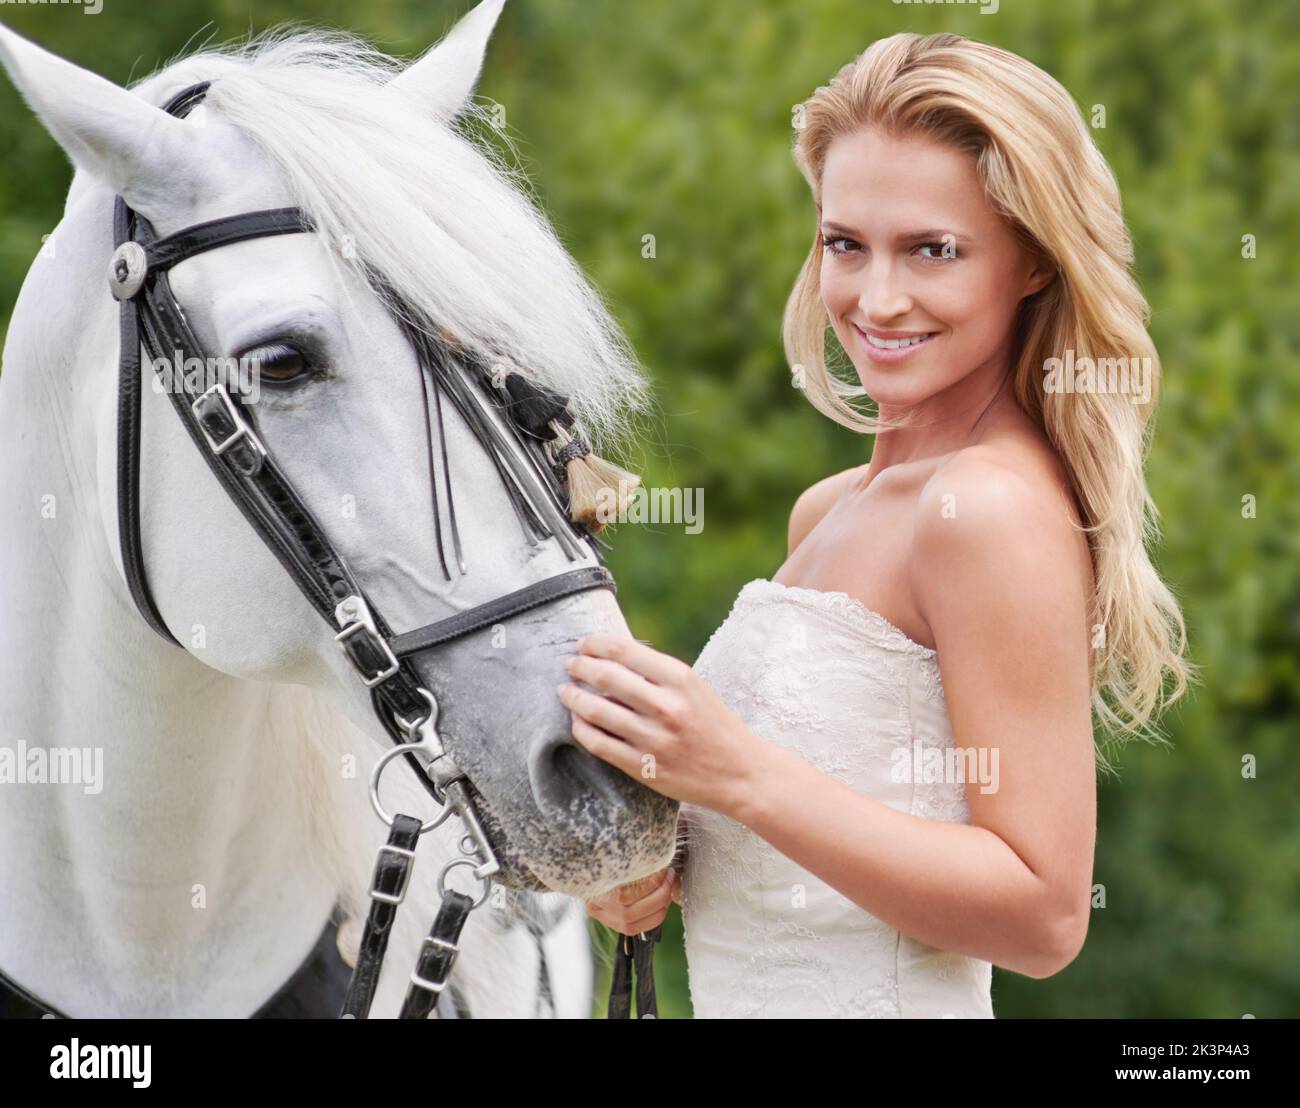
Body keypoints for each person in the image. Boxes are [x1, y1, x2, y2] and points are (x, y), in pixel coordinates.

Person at [559, 31, 1192, 1018]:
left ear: (1030, 261)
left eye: (931, 250)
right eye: (844, 243)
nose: (876, 297)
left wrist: (738, 774)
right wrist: (661, 857)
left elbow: (1043, 914)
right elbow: (827, 833)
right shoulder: (830, 507)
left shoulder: (984, 511)